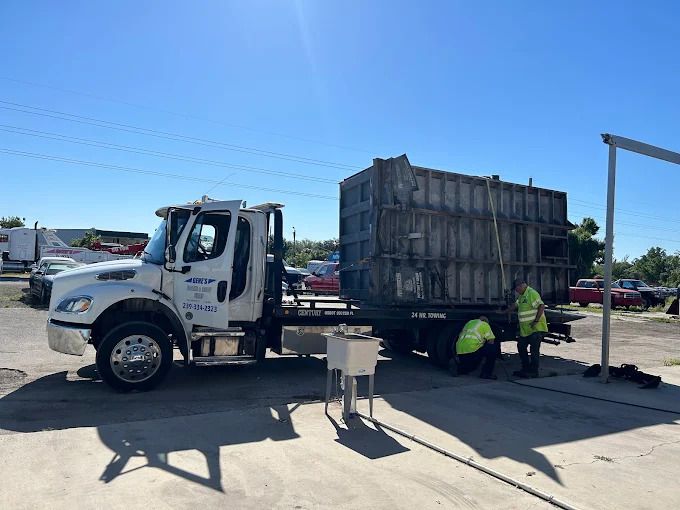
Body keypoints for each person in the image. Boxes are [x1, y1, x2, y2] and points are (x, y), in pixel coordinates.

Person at [505, 278, 548, 378]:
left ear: (521, 285)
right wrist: (504, 311)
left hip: (535, 328)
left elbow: (541, 306)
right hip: (526, 330)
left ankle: (533, 371)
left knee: (534, 350)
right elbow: (515, 305)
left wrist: (536, 321)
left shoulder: (531, 293)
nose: (516, 291)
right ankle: (525, 368)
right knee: (521, 347)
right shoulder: (522, 296)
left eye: (516, 288)